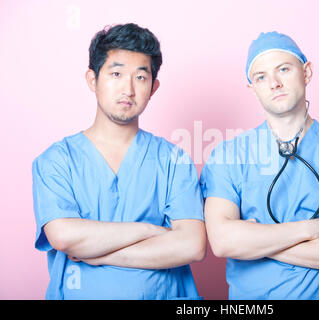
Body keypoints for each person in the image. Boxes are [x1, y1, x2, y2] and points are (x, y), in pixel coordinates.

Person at [200, 31, 319, 300]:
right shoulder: (227, 156)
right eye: (261, 77)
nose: (274, 83)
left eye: (284, 69)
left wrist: (256, 241)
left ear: (307, 72)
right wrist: (311, 229)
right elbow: (222, 242)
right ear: (252, 88)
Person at [32, 23, 206, 300]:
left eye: (140, 77)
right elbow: (64, 236)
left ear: (153, 87)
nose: (128, 89)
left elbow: (192, 244)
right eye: (116, 73)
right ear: (93, 79)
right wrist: (150, 230)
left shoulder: (173, 160)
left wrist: (99, 252)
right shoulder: (56, 161)